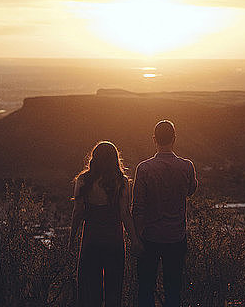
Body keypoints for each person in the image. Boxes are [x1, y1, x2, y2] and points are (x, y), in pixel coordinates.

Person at [132, 120, 198, 307]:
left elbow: (137, 207)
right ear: (174, 139)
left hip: (149, 238)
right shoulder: (187, 166)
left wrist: (137, 239)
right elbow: (191, 190)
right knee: (173, 289)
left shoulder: (144, 169)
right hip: (176, 237)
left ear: (154, 139)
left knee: (145, 289)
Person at [69, 141, 143, 307]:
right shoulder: (121, 182)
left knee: (90, 292)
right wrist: (135, 241)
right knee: (113, 291)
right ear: (115, 159)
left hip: (90, 242)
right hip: (114, 243)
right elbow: (125, 214)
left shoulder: (83, 180)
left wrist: (71, 238)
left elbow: (77, 212)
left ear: (94, 158)